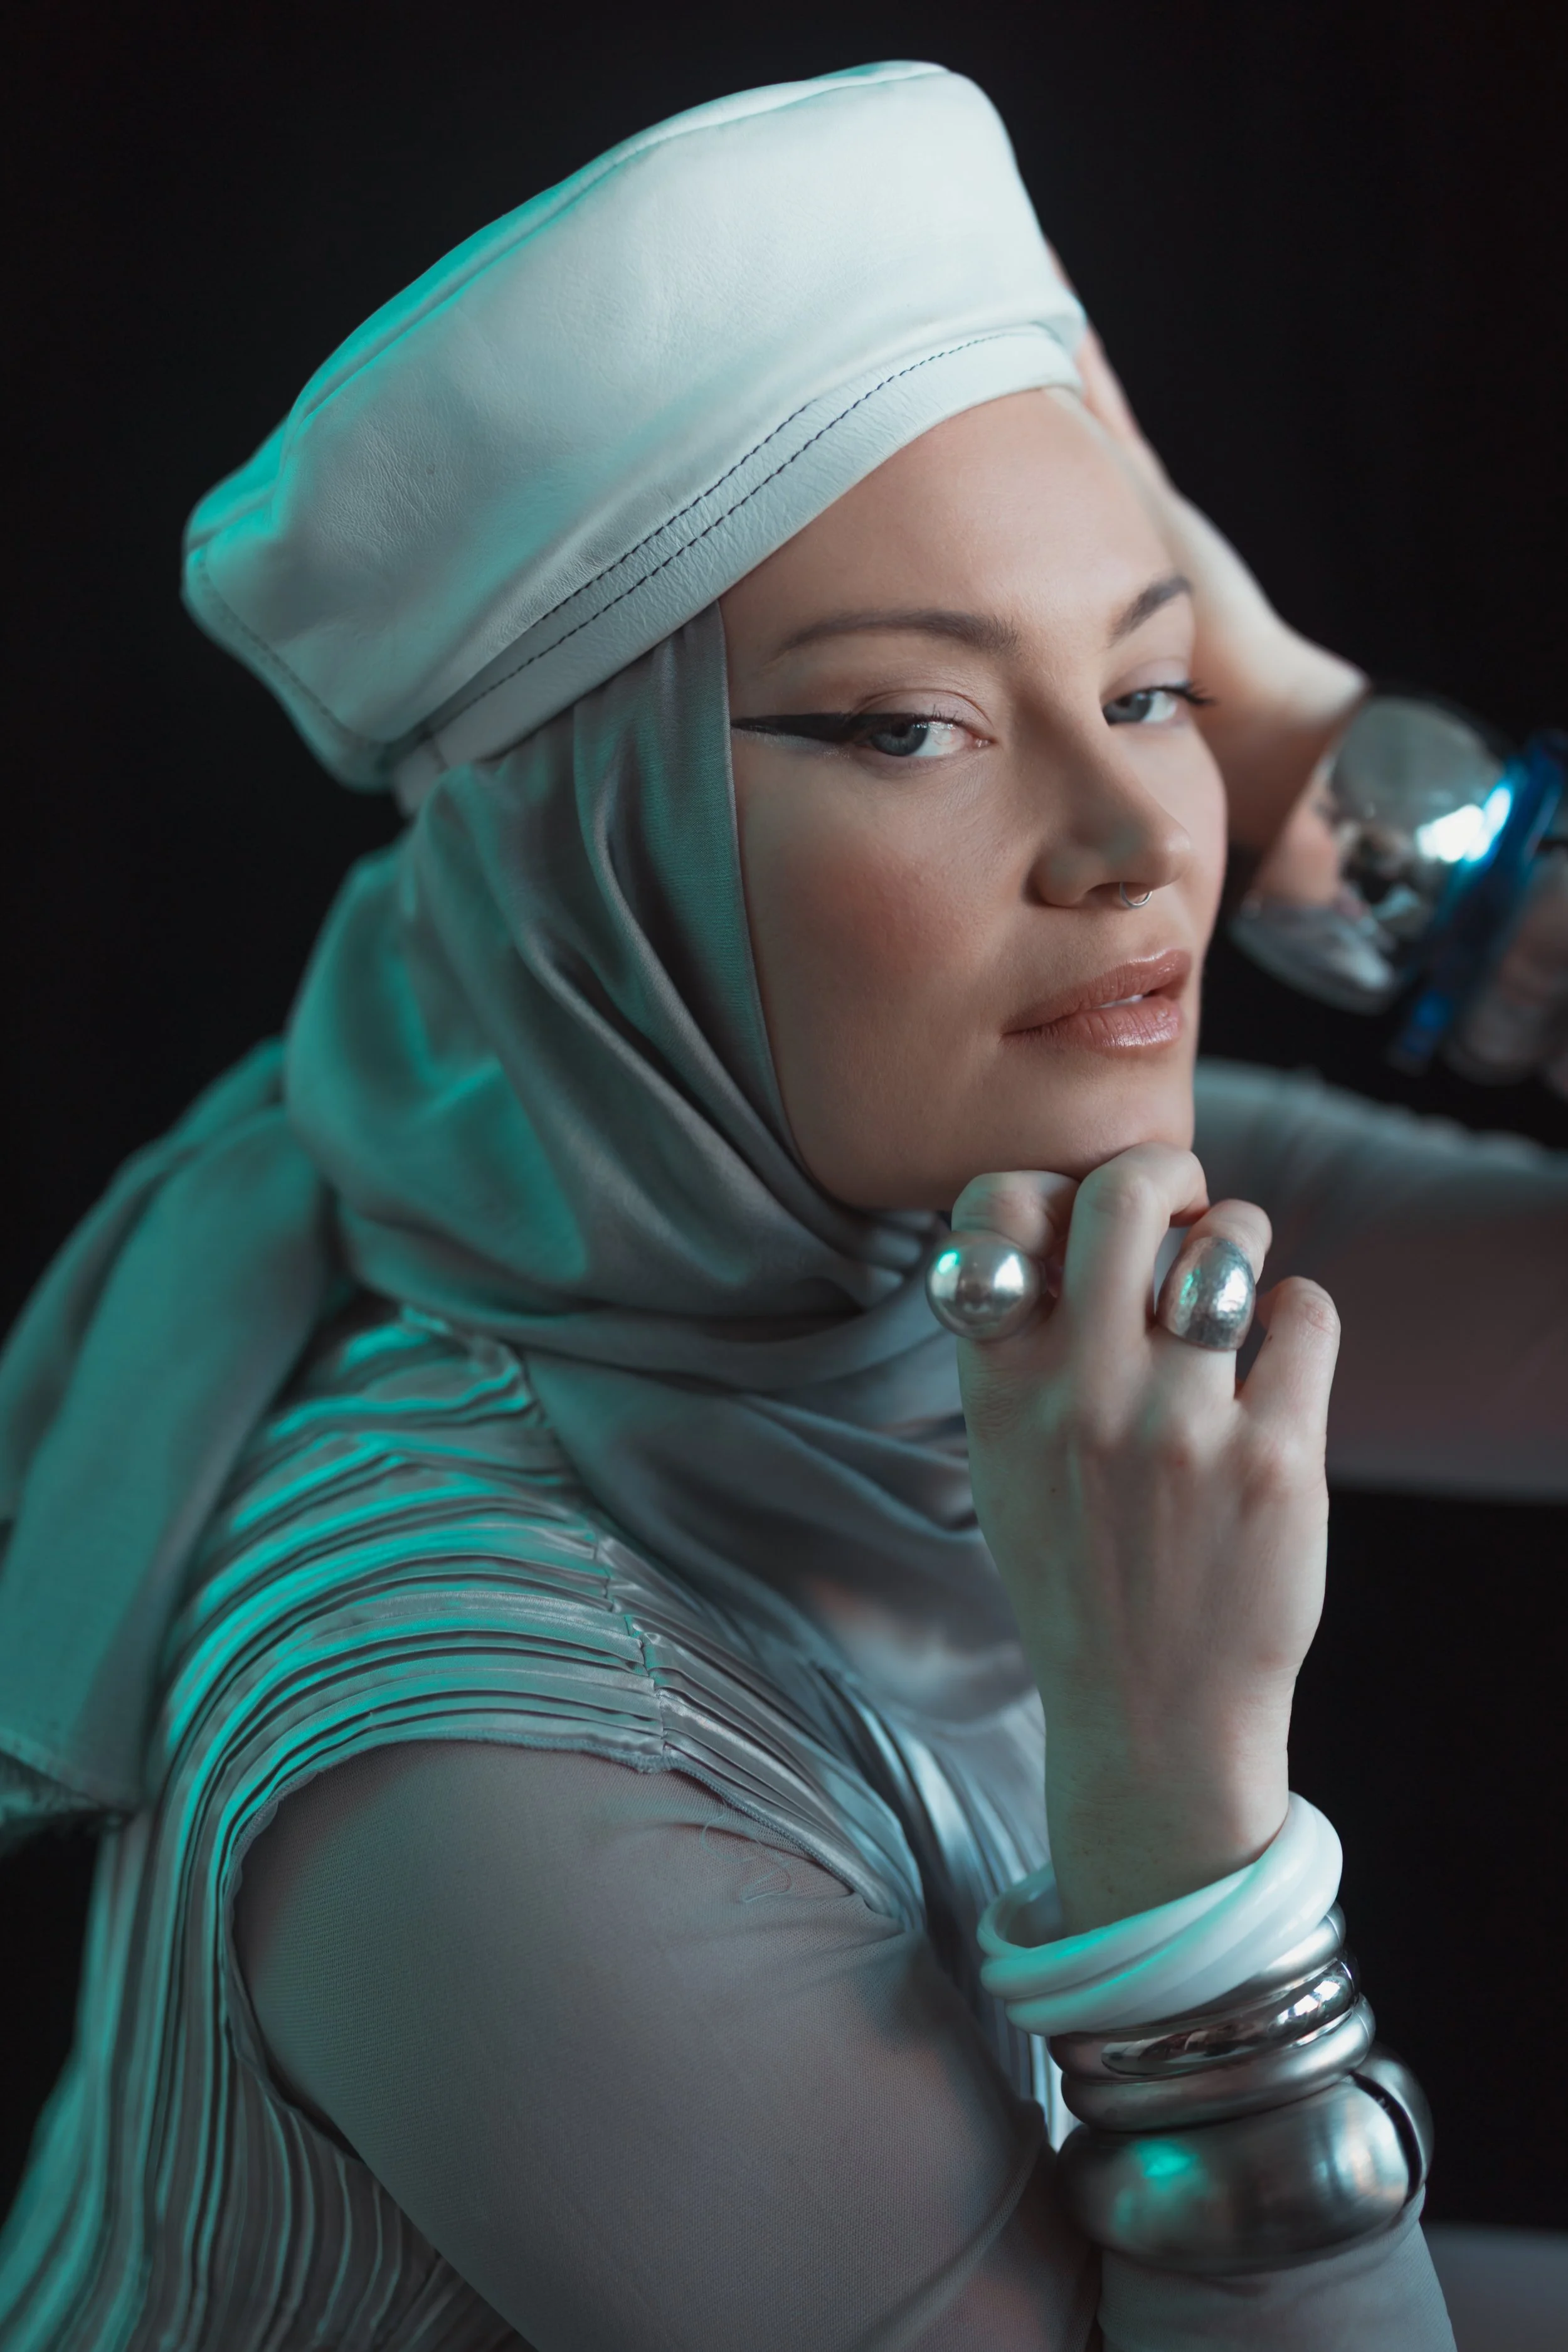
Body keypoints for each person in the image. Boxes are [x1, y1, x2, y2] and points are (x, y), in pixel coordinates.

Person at [0, 60, 1563, 2351]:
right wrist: (1181, 1828)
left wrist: (1403, 823)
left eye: (1152, 686)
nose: (1140, 838)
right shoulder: (463, 1763)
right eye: (912, 725)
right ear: (596, 848)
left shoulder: (910, 1209)